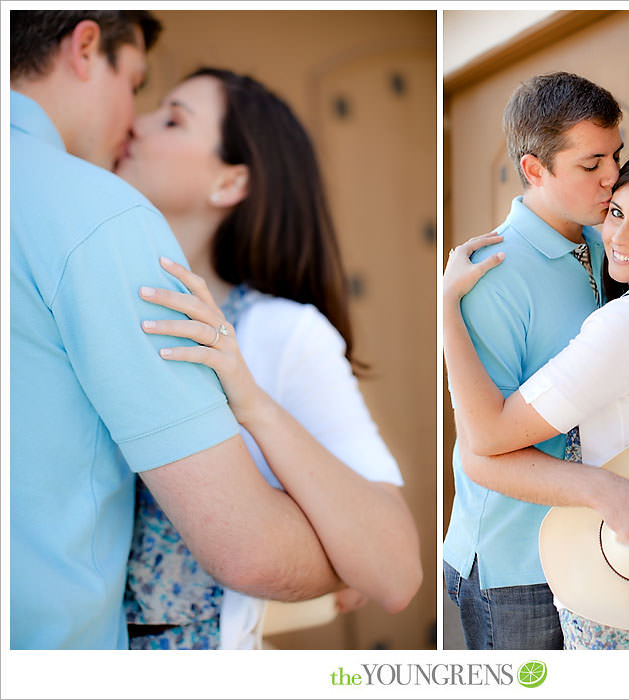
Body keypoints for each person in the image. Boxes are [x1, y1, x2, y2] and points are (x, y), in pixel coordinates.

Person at [11, 11, 333, 649]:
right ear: (85, 46)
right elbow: (249, 549)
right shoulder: (103, 217)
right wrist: (357, 557)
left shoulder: (292, 333)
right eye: (135, 83)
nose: (134, 121)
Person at [114, 67, 422, 649]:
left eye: (173, 118)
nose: (136, 122)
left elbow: (396, 573)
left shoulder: (282, 332)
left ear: (230, 183)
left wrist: (251, 401)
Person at [443, 146, 629, 649]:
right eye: (617, 214)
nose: (618, 237)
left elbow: (486, 438)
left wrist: (445, 309)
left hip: (621, 584)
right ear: (534, 169)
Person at [443, 71, 629, 650]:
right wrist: (606, 491)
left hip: (598, 546)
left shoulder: (612, 244)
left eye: (616, 156)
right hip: (517, 569)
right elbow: (483, 446)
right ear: (534, 169)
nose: (613, 177)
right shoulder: (490, 276)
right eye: (591, 163)